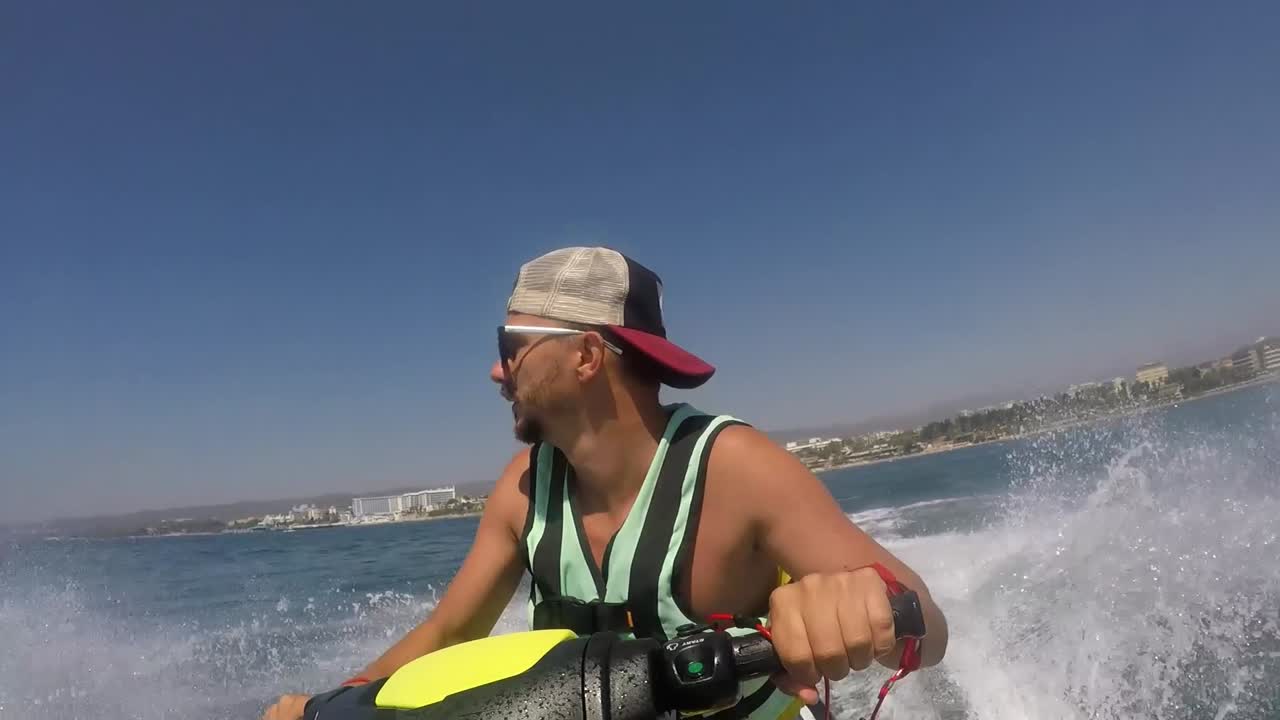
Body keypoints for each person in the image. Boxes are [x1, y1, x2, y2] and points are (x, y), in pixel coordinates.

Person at [262, 247, 948, 720]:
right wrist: (328, 703)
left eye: (510, 349)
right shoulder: (523, 489)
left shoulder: (736, 470)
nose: (496, 374)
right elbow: (450, 632)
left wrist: (862, 607)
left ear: (586, 354)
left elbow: (928, 625)